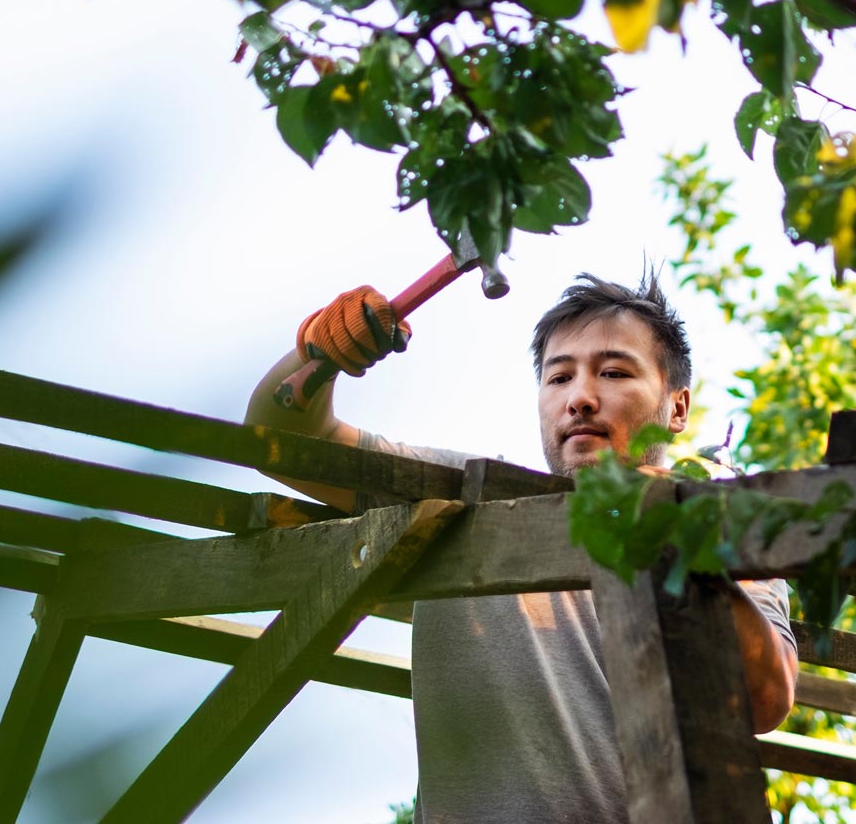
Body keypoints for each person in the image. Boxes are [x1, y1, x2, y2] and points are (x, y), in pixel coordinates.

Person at [246, 271, 798, 824]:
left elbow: (765, 697)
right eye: (559, 378)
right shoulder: (465, 494)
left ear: (677, 409)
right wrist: (317, 353)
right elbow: (281, 442)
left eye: (612, 372)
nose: (580, 398)